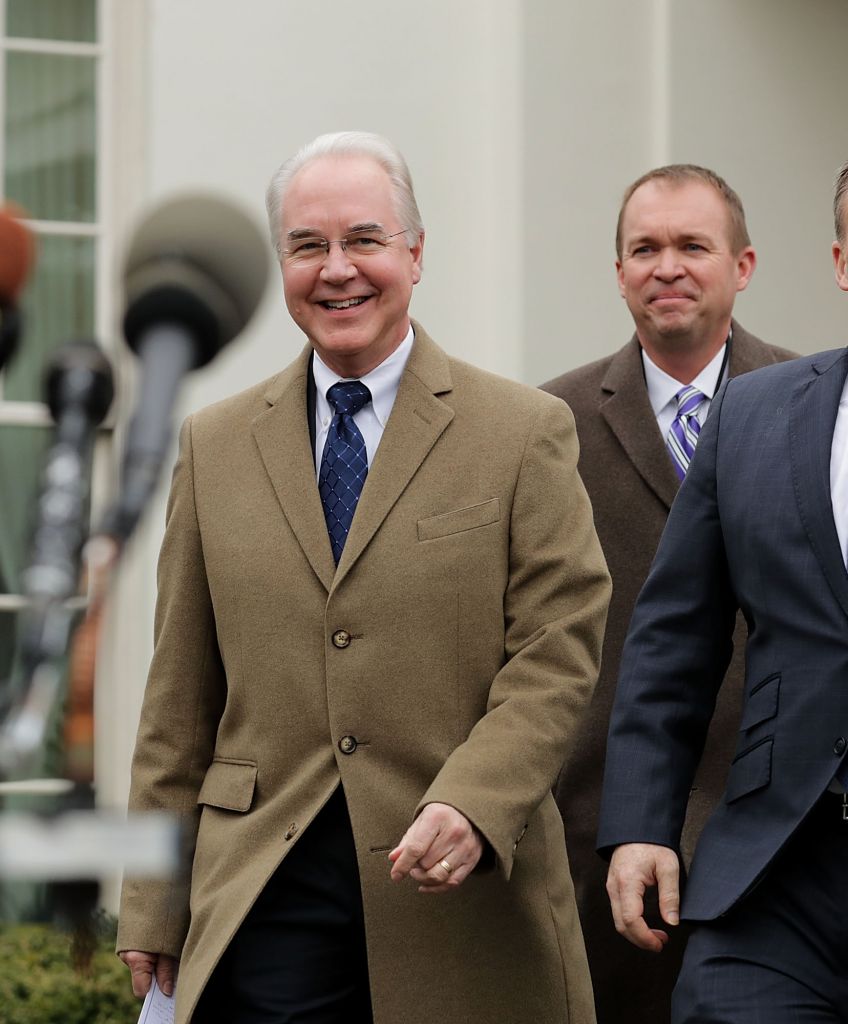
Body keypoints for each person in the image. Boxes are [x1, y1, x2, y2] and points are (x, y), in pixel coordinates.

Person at [116, 130, 611, 1024]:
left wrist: (476, 799)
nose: (337, 269)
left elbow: (558, 650)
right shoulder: (214, 444)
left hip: (456, 888)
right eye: (309, 246)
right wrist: (154, 893)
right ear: (282, 266)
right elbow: (178, 693)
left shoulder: (522, 431)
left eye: (364, 240)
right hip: (266, 891)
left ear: (415, 253)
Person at [541, 164, 796, 1024]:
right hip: (601, 832)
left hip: (782, 836)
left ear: (744, 265)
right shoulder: (547, 425)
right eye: (644, 248)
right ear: (618, 272)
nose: (668, 266)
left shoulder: (814, 409)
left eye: (694, 245)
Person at [598, 159, 848, 1022]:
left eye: (692, 244)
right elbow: (675, 639)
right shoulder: (756, 414)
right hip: (780, 871)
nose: (667, 265)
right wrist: (640, 822)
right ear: (841, 261)